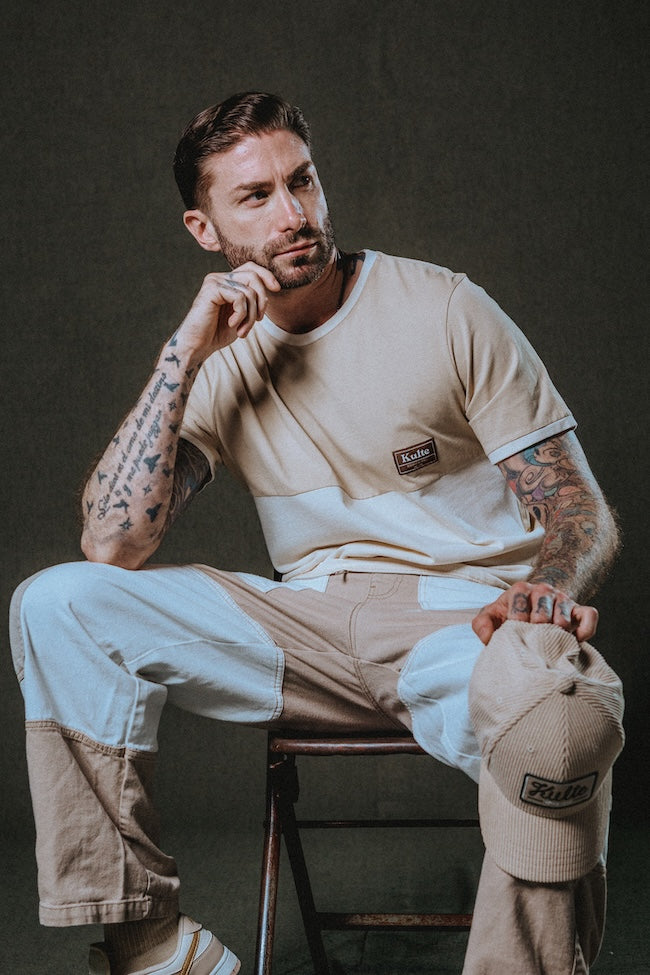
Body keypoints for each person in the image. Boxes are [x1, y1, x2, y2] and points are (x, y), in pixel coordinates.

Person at [10, 91, 625, 975]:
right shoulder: (218, 356)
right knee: (58, 603)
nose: (294, 214)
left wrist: (545, 592)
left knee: (560, 722)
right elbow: (112, 544)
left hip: (461, 623)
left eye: (302, 181)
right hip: (304, 628)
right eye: (256, 196)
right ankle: (154, 948)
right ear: (204, 228)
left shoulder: (444, 307)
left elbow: (579, 511)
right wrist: (183, 353)